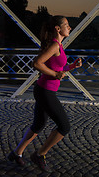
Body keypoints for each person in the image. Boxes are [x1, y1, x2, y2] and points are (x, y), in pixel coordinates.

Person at [8, 16, 82, 172]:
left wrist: (72, 66)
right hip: (45, 91)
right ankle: (40, 154)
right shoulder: (54, 46)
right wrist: (55, 75)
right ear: (57, 28)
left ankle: (17, 153)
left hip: (44, 89)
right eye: (67, 25)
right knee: (64, 126)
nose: (69, 28)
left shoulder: (59, 46)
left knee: (38, 124)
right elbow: (36, 63)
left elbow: (57, 68)